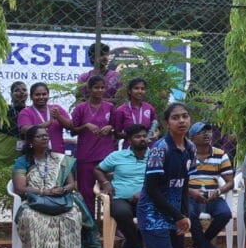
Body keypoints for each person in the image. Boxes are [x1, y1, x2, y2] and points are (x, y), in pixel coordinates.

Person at [12, 125, 106, 248]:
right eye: (40, 136)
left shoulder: (60, 159)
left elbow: (72, 184)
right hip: (35, 201)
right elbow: (20, 188)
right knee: (30, 217)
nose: (44, 138)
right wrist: (45, 192)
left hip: (60, 200)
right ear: (30, 141)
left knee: (73, 214)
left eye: (46, 135)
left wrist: (62, 189)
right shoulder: (23, 161)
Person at [138, 103, 197, 248]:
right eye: (175, 117)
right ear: (167, 123)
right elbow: (152, 190)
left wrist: (184, 215)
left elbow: (184, 185)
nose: (181, 121)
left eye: (185, 116)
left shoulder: (190, 148)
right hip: (153, 215)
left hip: (174, 214)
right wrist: (178, 216)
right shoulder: (159, 149)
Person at [97, 124, 151, 248]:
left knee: (152, 212)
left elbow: (161, 179)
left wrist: (144, 193)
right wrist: (106, 183)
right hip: (121, 198)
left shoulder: (155, 156)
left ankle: (128, 246)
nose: (142, 139)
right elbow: (98, 169)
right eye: (137, 137)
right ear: (129, 140)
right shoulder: (117, 156)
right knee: (121, 212)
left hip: (147, 198)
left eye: (144, 136)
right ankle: (137, 247)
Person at [69, 75, 117, 211]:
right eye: (96, 87)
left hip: (105, 154)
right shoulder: (80, 108)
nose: (100, 90)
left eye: (102, 87)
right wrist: (85, 126)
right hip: (86, 155)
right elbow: (73, 131)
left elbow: (117, 128)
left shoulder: (110, 107)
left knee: (109, 190)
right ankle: (89, 222)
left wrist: (110, 128)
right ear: (89, 89)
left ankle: (109, 221)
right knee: (86, 192)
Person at [187, 123, 234, 248]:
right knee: (189, 213)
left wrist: (218, 191)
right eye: (201, 132)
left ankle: (201, 244)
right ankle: (206, 247)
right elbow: (178, 181)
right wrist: (192, 192)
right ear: (192, 138)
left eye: (208, 131)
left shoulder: (220, 154)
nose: (206, 134)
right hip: (190, 195)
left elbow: (230, 182)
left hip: (212, 195)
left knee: (225, 214)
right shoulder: (185, 154)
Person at [17, 82, 73, 154]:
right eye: (37, 95)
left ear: (48, 95)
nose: (41, 97)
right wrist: (48, 123)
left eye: (44, 94)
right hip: (35, 154)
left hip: (57, 153)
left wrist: (59, 117)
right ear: (31, 96)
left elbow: (71, 126)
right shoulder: (26, 112)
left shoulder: (57, 109)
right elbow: (26, 130)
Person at [110, 77, 155, 149]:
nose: (140, 91)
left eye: (142, 89)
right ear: (129, 91)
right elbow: (116, 134)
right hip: (129, 149)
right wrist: (133, 136)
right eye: (136, 88)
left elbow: (155, 126)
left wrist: (155, 134)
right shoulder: (121, 110)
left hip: (147, 148)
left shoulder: (149, 108)